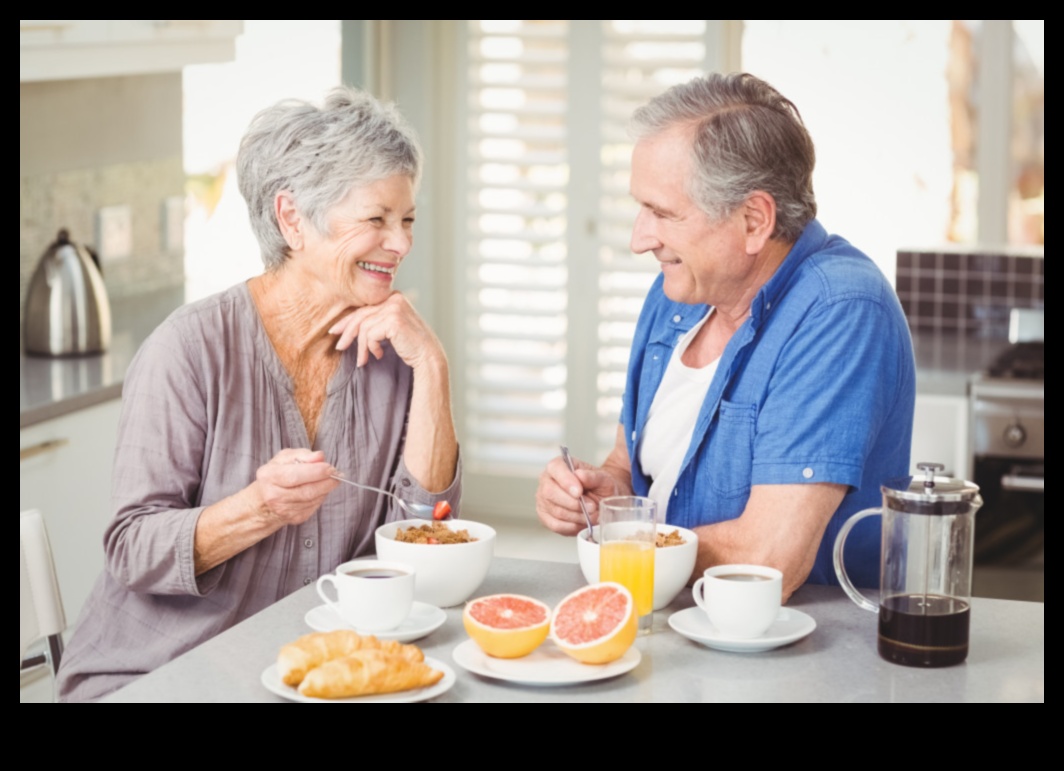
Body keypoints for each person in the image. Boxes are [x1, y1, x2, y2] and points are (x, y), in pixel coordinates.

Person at [56, 87, 460, 701]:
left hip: (299, 673)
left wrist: (432, 364)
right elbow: (133, 549)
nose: (401, 243)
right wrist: (259, 508)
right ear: (292, 219)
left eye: (406, 221)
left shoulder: (396, 352)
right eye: (376, 219)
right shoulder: (189, 349)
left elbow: (424, 540)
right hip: (157, 674)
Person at [536, 73, 914, 600]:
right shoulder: (676, 293)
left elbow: (768, 558)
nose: (639, 239)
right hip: (671, 616)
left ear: (754, 220)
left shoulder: (841, 310)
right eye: (641, 208)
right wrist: (604, 497)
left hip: (798, 639)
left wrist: (620, 544)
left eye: (662, 213)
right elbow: (628, 464)